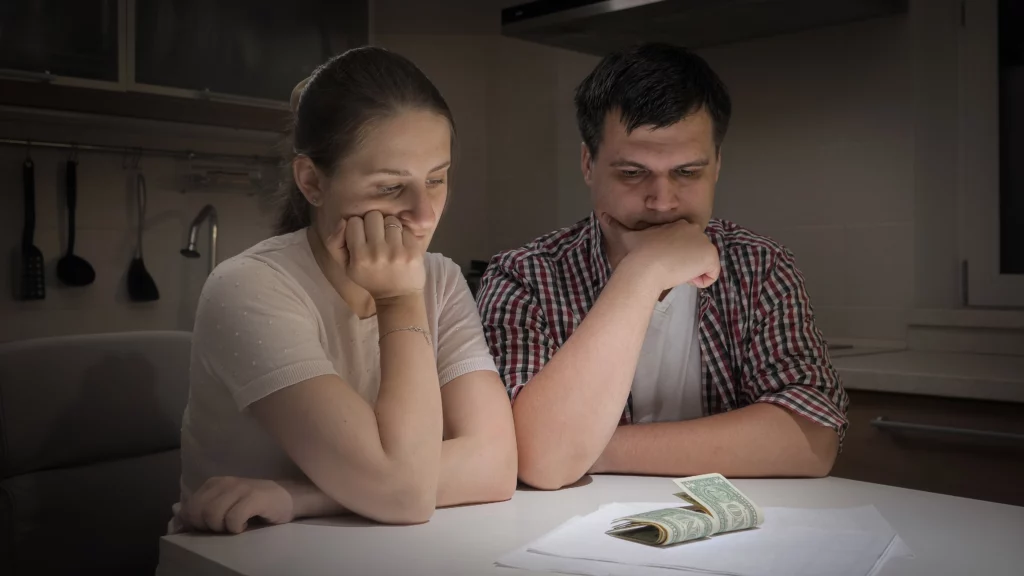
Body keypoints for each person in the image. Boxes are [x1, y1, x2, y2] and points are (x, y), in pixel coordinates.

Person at [170, 47, 517, 534]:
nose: (424, 215)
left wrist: (297, 496)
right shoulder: (248, 288)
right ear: (312, 181)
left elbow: (495, 465)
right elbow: (406, 495)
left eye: (436, 180)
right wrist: (399, 300)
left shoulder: (439, 278)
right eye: (391, 188)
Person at [476, 42, 850, 491]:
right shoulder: (523, 277)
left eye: (688, 173)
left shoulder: (759, 265)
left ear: (716, 167)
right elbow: (539, 461)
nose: (662, 201)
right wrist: (643, 273)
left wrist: (590, 447)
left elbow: (811, 437)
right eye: (632, 174)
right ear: (587, 165)